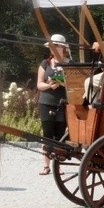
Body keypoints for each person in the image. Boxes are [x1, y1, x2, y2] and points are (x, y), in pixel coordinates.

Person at [36, 34, 71, 175]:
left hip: (63, 102)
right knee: (47, 135)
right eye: (51, 46)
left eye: (56, 46)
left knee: (60, 134)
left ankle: (58, 165)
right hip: (46, 101)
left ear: (63, 48)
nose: (53, 49)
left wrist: (63, 83)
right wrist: (50, 85)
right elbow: (39, 84)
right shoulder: (45, 63)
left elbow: (75, 84)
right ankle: (46, 165)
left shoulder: (69, 63)